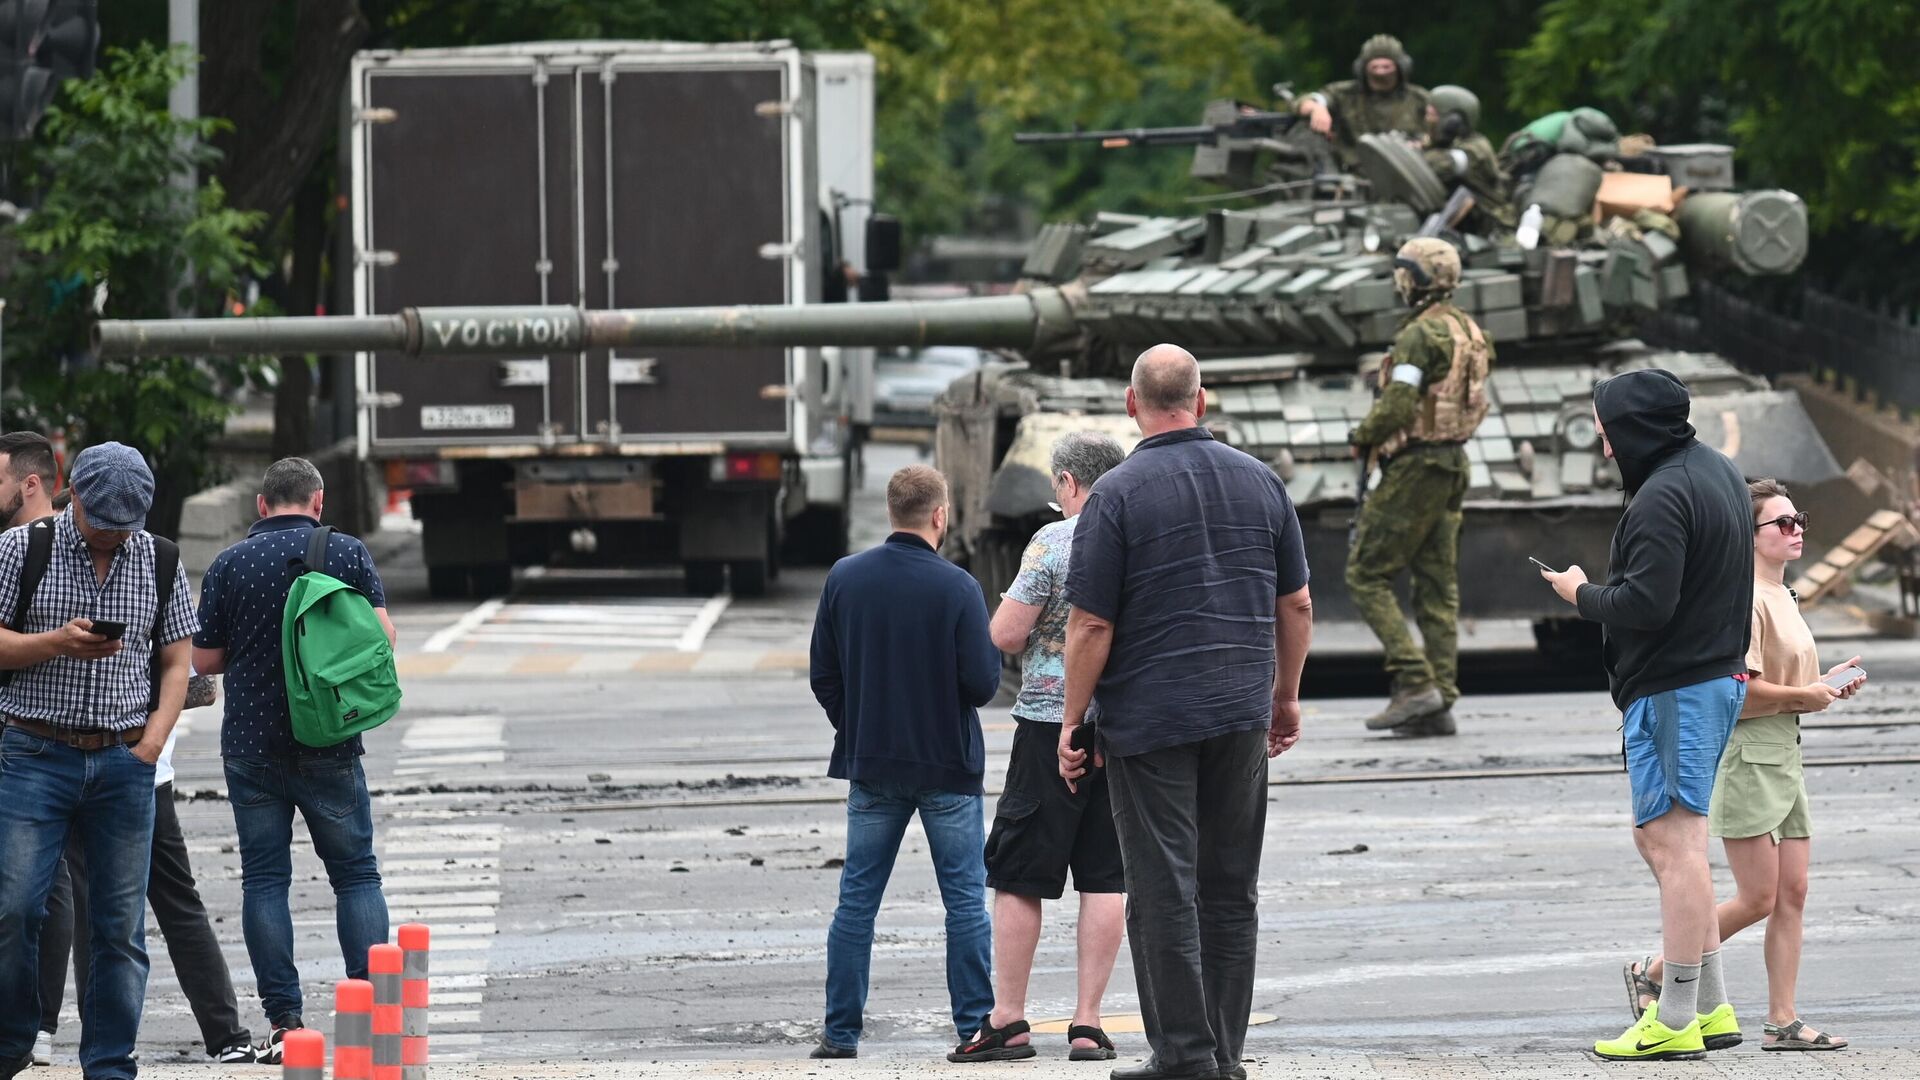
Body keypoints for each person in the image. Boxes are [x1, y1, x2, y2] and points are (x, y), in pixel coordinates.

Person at [1060, 345, 1313, 1080]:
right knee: (1231, 887)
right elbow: (1295, 603)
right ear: (1202, 402)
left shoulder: (1116, 495)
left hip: (1149, 721)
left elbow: (1091, 626)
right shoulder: (1262, 482)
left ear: (1131, 405)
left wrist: (1073, 721)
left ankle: (1183, 1056)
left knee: (1163, 888)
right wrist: (1284, 696)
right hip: (1239, 713)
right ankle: (1225, 1054)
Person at [1538, 368, 1754, 1061]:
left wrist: (1580, 593)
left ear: (1632, 429)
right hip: (1705, 679)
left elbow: (1646, 605)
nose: (1605, 449)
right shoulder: (1716, 470)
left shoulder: (1662, 495)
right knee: (1670, 845)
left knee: (1676, 848)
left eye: (1607, 433)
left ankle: (1675, 1016)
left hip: (1676, 688)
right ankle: (1713, 1008)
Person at [1623, 480, 1858, 1051]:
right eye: (1781, 523)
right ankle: (1658, 971)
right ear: (1747, 536)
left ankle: (1783, 1021)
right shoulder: (1745, 599)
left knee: (1793, 893)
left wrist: (1818, 688)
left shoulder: (1785, 594)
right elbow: (1739, 695)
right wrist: (1807, 697)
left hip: (1784, 752)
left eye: (1798, 518)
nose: (1796, 528)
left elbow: (1781, 687)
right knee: (1759, 896)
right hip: (1748, 755)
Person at [0, 442, 197, 1080]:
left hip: (123, 762)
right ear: (71, 495)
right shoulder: (20, 549)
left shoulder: (161, 558)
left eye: (125, 526)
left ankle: (110, 1064)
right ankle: (10, 1042)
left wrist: (154, 740)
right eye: (100, 523)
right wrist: (55, 643)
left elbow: (176, 658)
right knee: (17, 909)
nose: (113, 537)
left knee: (118, 928)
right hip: (35, 753)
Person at [192, 458, 396, 1064]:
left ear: (260, 506)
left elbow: (204, 661)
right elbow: (381, 637)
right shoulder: (346, 553)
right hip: (329, 740)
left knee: (265, 881)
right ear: (318, 501)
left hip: (252, 746)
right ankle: (372, 1012)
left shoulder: (229, 564)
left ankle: (284, 1024)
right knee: (355, 874)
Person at [807, 464, 999, 1060]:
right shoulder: (959, 588)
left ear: (892, 512)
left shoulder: (845, 578)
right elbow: (983, 684)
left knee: (856, 902)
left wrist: (860, 726)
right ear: (940, 515)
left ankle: (841, 1033)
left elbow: (824, 675)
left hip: (872, 766)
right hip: (947, 766)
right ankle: (973, 1026)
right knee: (964, 900)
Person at [952, 432, 1129, 1064]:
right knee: (1107, 876)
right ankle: (1087, 1023)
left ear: (1069, 484)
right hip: (1122, 730)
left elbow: (1005, 633)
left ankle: (1007, 1020)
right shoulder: (1140, 538)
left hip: (1048, 722)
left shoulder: (1053, 541)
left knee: (1020, 872)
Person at [1346, 237, 1492, 736]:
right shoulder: (1469, 329)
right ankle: (1440, 701)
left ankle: (1415, 682)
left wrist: (1362, 437)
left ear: (1416, 280)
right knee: (1436, 586)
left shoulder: (1419, 335)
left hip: (1416, 466)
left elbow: (1400, 404)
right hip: (1453, 462)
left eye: (1404, 272)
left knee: (1366, 573)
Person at [61, 727, 257, 1064]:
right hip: (144, 769)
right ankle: (227, 1036)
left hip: (108, 771)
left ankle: (106, 1035)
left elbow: (200, 687)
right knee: (178, 905)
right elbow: (200, 685)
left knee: (96, 910)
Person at [0, 431, 73, 1066]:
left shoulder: (25, 547)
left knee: (37, 892)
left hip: (29, 739)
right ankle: (34, 1029)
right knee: (43, 890)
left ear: (29, 484)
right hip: (48, 742)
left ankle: (31, 1029)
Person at [1295, 34, 1430, 166]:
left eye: (1386, 66)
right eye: (1375, 67)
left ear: (1401, 67)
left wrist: (1424, 142)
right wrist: (1317, 108)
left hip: (1405, 171)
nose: (1380, 72)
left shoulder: (1419, 99)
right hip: (1353, 173)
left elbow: (1440, 131)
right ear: (1363, 68)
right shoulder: (1344, 94)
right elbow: (1306, 101)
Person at [1420, 85, 1513, 234]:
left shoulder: (1475, 149)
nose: (1427, 120)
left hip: (1489, 229)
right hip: (1456, 224)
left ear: (1452, 122)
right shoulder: (1444, 144)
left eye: (1432, 115)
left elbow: (1437, 165)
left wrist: (1412, 154)